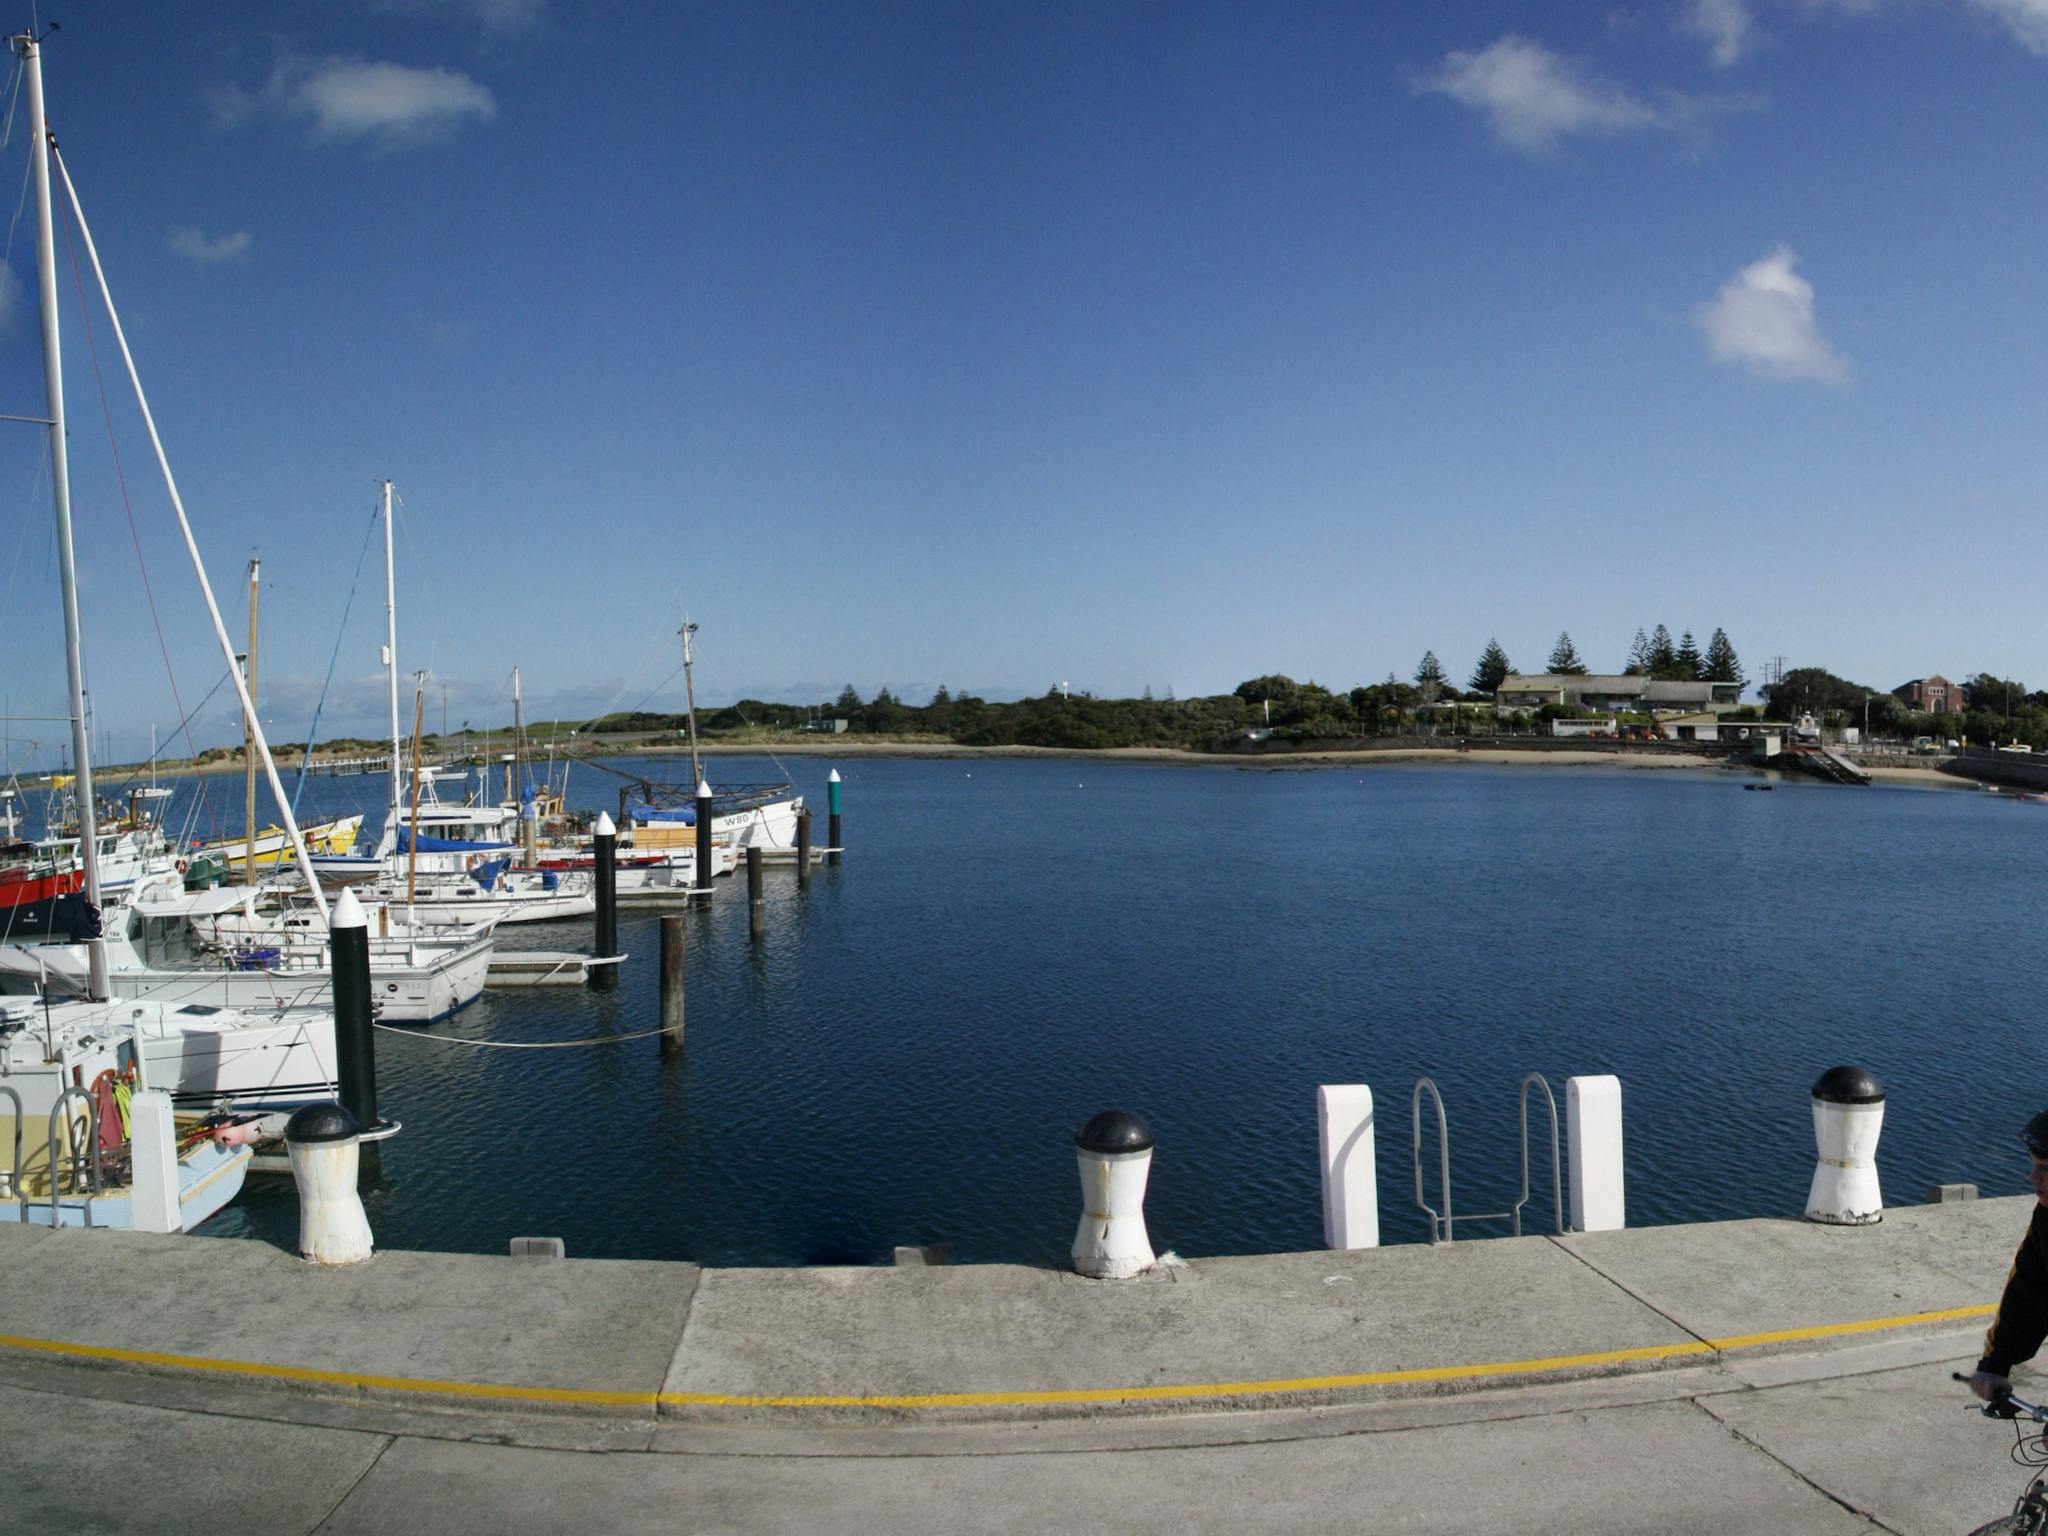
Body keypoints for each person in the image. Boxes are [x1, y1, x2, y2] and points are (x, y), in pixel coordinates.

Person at [1969, 1111, 2048, 1401]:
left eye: (2045, 1168)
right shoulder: (2046, 1219)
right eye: (2034, 1165)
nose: (2032, 1177)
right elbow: (2027, 1292)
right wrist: (1995, 1364)